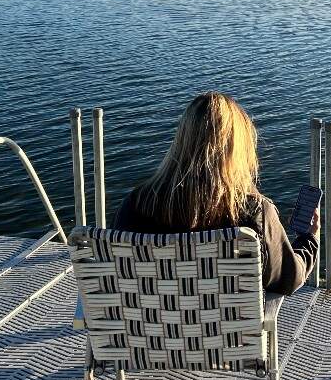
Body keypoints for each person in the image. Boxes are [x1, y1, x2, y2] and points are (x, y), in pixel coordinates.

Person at [113, 92, 319, 295]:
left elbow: (119, 271)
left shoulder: (135, 204)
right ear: (237, 148)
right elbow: (288, 280)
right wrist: (309, 238)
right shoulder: (253, 212)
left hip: (150, 325)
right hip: (227, 327)